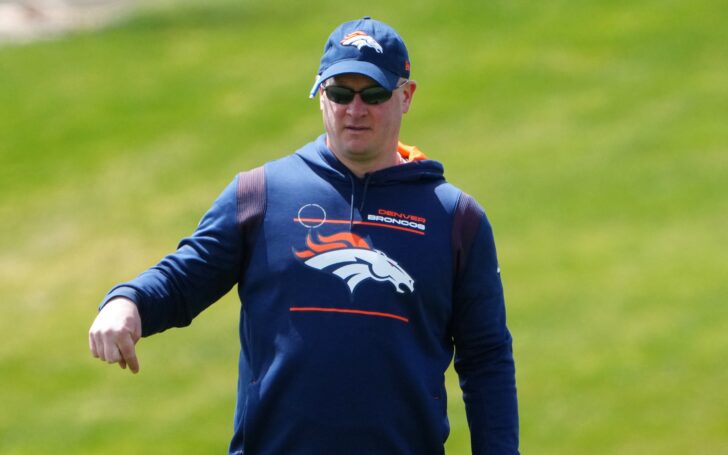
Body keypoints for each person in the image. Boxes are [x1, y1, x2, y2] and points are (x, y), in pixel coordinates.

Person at [88, 16, 519, 454]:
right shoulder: (260, 194)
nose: (355, 109)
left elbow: (486, 359)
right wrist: (129, 301)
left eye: (373, 94)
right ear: (319, 94)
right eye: (339, 93)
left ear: (405, 96)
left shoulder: (456, 219)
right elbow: (183, 277)